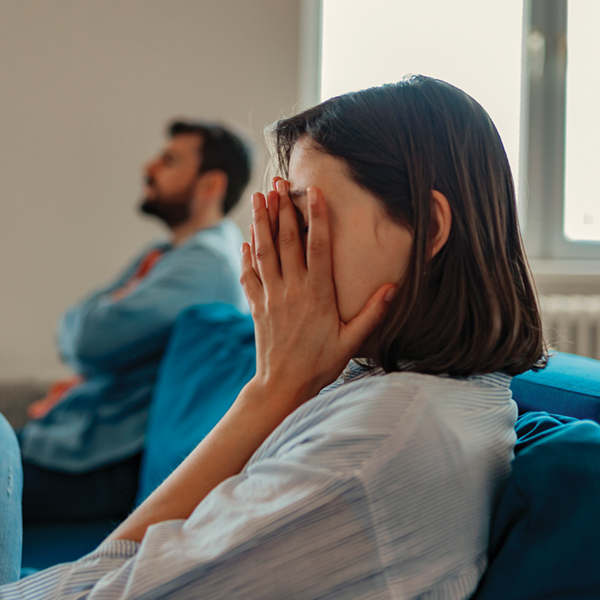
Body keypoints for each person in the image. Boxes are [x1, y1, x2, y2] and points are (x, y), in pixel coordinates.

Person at [0, 76, 545, 598]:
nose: (273, 259)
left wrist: (271, 390)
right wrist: (275, 388)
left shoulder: (375, 446)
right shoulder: (396, 384)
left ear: (427, 224)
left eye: (304, 222)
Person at [17, 120, 252, 524]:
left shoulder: (205, 264)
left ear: (210, 185)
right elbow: (75, 329)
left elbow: (89, 338)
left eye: (169, 160)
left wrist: (95, 322)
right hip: (79, 446)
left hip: (102, 462)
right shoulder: (163, 255)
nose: (150, 167)